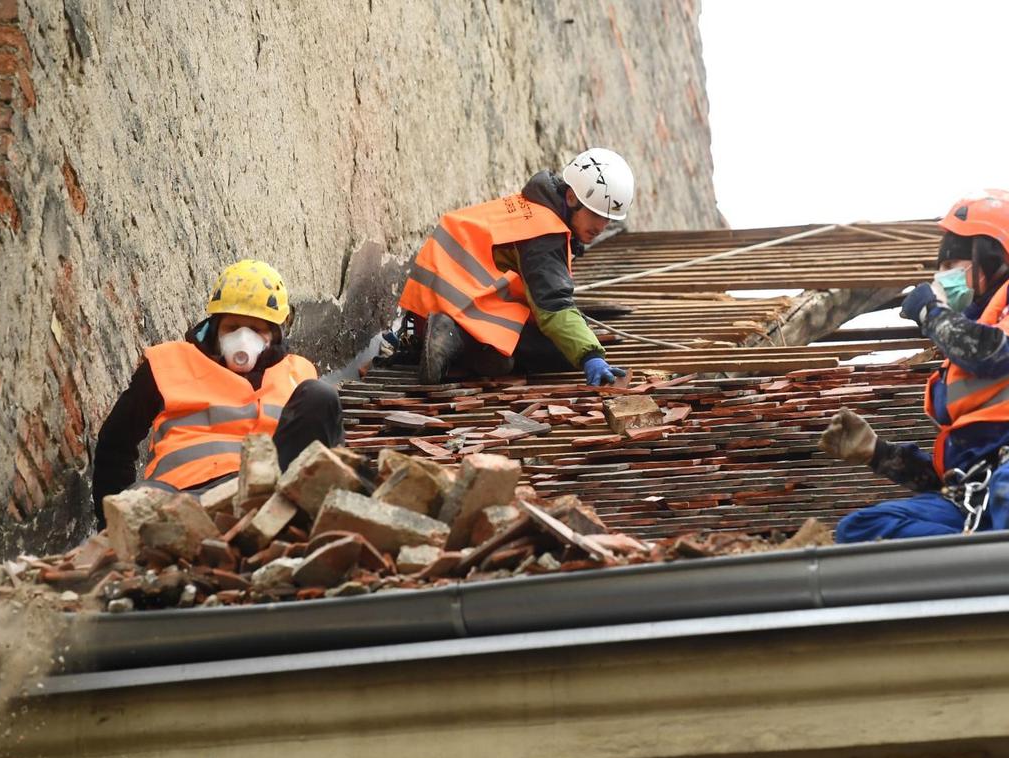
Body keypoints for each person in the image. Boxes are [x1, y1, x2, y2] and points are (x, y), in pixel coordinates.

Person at [819, 189, 1009, 542]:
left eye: (952, 265)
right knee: (863, 529)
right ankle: (977, 581)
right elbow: (950, 476)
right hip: (985, 492)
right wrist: (878, 453)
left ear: (990, 255)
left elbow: (996, 350)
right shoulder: (962, 351)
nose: (943, 275)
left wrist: (931, 312)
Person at [91, 259, 344, 527]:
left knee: (321, 396)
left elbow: (325, 445)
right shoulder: (170, 363)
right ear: (214, 327)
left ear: (276, 334)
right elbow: (115, 442)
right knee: (136, 505)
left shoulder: (298, 373)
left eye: (257, 330)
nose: (243, 339)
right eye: (232, 327)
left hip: (270, 494)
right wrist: (111, 525)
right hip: (184, 495)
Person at [396, 147, 634, 386]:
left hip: (437, 304)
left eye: (608, 219)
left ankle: (470, 347)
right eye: (595, 214)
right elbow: (553, 305)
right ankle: (460, 341)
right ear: (571, 198)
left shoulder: (536, 210)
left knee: (567, 336)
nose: (601, 226)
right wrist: (591, 356)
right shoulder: (544, 233)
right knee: (561, 350)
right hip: (450, 309)